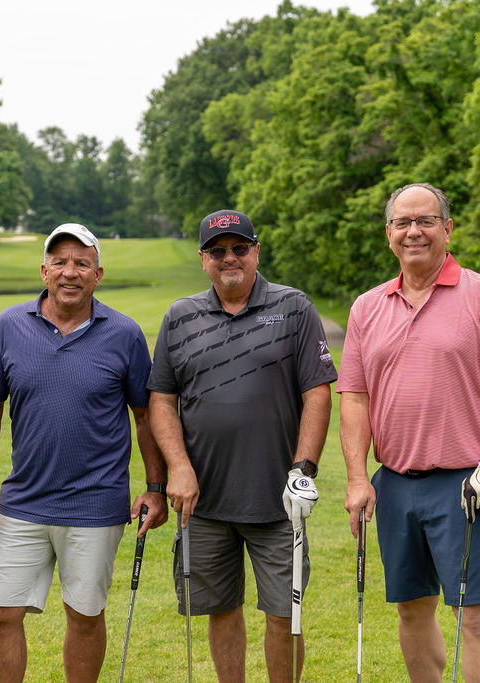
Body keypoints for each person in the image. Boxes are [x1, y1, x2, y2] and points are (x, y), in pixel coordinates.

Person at [337, 182, 480, 682]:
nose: (414, 232)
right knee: (411, 610)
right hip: (394, 484)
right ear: (388, 234)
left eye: (426, 221)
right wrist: (358, 478)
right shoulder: (366, 307)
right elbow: (355, 398)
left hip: (466, 485)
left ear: (447, 229)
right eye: (403, 222)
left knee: (474, 615)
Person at [0, 223, 168, 682]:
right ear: (44, 271)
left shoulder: (125, 333)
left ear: (98, 275)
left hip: (95, 503)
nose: (70, 272)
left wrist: (156, 487)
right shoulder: (9, 325)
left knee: (85, 616)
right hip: (24, 500)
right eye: (60, 262)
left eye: (82, 263)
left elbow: (145, 415)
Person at [147, 209, 338, 682]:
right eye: (218, 251)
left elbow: (317, 393)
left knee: (284, 614)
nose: (229, 258)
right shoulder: (180, 316)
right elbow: (161, 401)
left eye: (239, 248)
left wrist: (303, 469)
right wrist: (178, 468)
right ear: (203, 259)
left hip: (277, 499)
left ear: (256, 252)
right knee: (220, 608)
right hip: (205, 499)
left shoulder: (294, 308)